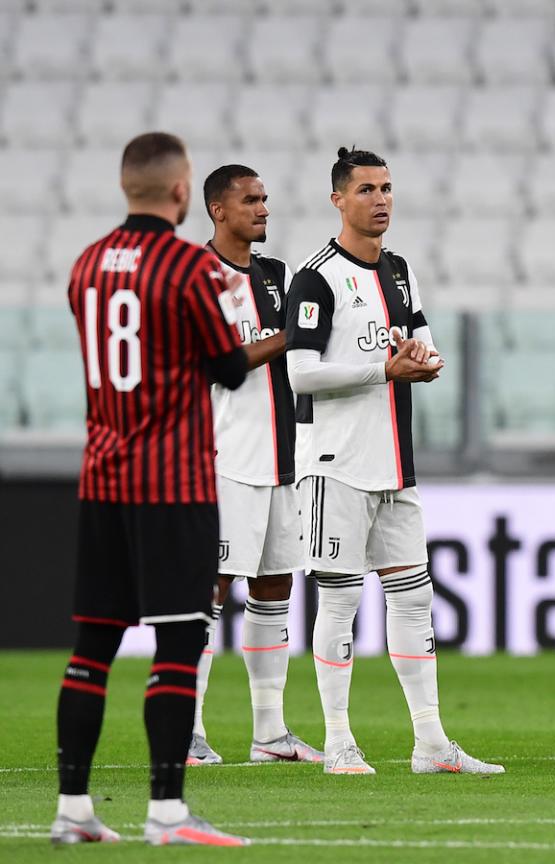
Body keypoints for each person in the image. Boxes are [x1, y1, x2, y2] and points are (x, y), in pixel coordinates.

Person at [53, 131, 265, 847]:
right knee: (179, 641)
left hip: (102, 477)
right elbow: (230, 370)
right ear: (182, 193)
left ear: (125, 187)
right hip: (171, 484)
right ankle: (168, 813)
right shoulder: (187, 267)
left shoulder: (85, 266)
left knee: (91, 648)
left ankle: (74, 809)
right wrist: (233, 298)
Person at [286, 146, 502, 776]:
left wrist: (423, 361)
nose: (380, 200)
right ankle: (337, 743)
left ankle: (431, 744)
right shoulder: (315, 278)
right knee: (340, 602)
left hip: (394, 465)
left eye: (386, 189)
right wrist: (385, 368)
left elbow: (422, 342)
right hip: (334, 464)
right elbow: (299, 373)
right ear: (338, 199)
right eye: (366, 190)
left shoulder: (398, 269)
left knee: (413, 599)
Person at [185, 164, 322, 767]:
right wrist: (290, 334)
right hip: (223, 457)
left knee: (274, 589)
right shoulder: (194, 277)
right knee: (209, 592)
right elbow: (219, 364)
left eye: (266, 198)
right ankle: (187, 732)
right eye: (250, 200)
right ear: (218, 209)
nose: (263, 209)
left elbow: (309, 349)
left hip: (282, 459)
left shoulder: (277, 275)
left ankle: (270, 734)